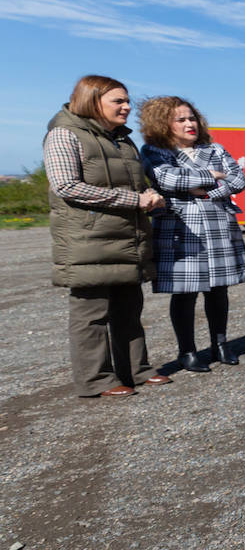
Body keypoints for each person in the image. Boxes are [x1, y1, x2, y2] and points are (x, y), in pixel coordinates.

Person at [43, 75, 171, 397]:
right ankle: (96, 380)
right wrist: (134, 200)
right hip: (88, 240)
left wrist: (150, 195)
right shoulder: (63, 134)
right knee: (91, 314)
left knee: (129, 308)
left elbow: (136, 186)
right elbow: (67, 186)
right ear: (92, 100)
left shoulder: (122, 140)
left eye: (127, 101)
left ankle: (137, 371)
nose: (127, 107)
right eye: (119, 101)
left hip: (128, 237)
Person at [139, 96, 245, 372]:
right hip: (180, 227)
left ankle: (221, 344)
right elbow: (167, 179)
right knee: (185, 293)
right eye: (181, 119)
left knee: (218, 289)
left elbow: (239, 180)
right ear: (163, 124)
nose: (189, 123)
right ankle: (187, 351)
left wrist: (205, 191)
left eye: (191, 118)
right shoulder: (155, 151)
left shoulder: (214, 148)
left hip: (217, 225)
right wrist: (212, 175)